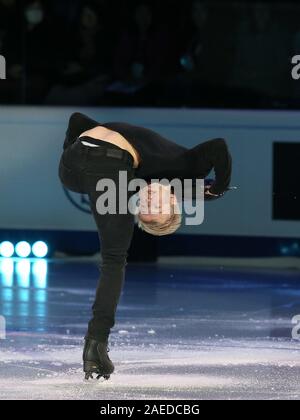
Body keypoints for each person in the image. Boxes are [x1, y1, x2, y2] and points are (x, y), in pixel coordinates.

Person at [58, 112, 232, 379]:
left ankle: (95, 343)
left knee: (114, 258)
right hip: (88, 167)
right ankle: (96, 346)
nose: (149, 200)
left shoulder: (125, 186)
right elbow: (218, 146)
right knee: (114, 259)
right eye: (159, 206)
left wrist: (74, 150)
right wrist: (219, 188)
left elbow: (77, 121)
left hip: (73, 173)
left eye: (145, 208)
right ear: (174, 201)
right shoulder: (188, 171)